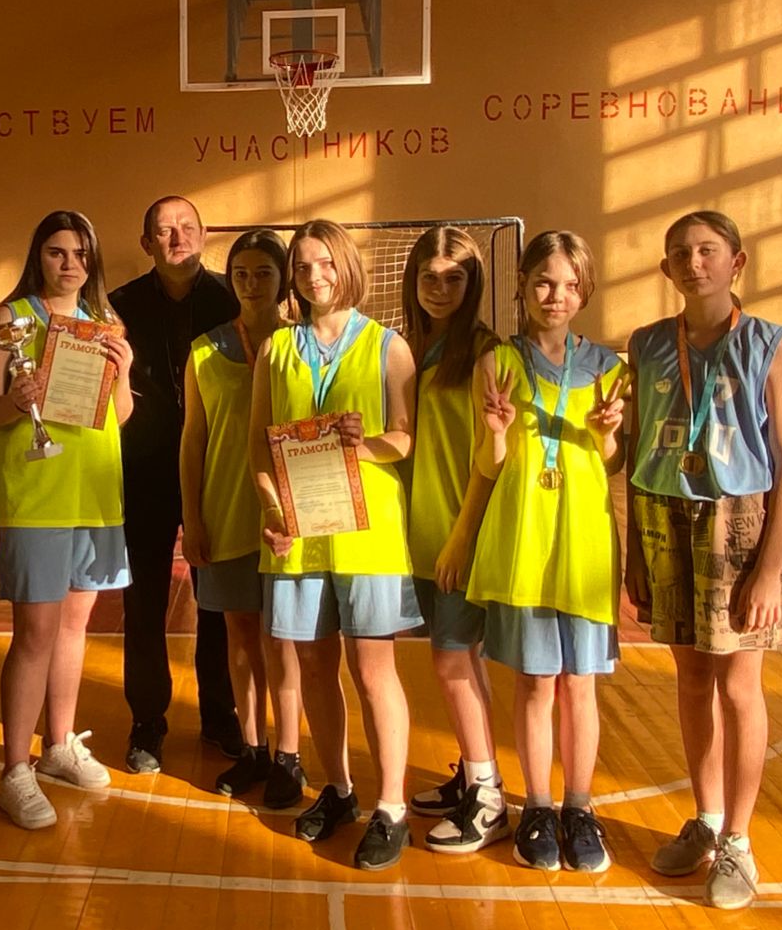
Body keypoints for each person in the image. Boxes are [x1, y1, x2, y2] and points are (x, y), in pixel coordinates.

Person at [626, 209, 782, 910]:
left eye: (707, 249)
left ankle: (738, 838)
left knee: (738, 686)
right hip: (663, 514)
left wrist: (768, 565)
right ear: (666, 269)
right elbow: (636, 448)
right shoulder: (646, 343)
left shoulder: (771, 344)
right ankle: (704, 818)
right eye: (680, 252)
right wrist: (636, 553)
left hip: (740, 522)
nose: (693, 262)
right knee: (691, 678)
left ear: (737, 261)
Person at [249, 219, 420, 871]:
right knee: (314, 664)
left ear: (347, 266)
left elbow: (404, 437)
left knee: (373, 670)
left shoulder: (387, 346)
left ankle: (392, 807)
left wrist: (364, 442)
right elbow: (258, 443)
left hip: (367, 532)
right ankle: (340, 789)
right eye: (302, 266)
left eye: (325, 263)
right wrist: (273, 510)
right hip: (297, 530)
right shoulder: (276, 348)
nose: (314, 276)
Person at [466, 231, 627, 873]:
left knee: (580, 684)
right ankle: (537, 806)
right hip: (525, 538)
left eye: (568, 285)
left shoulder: (609, 368)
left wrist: (607, 436)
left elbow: (610, 464)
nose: (555, 296)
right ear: (522, 286)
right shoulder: (498, 362)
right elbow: (489, 465)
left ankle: (579, 807)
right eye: (543, 282)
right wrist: (496, 432)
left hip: (583, 542)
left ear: (584, 291)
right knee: (536, 682)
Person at [0, 210, 134, 829]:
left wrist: (124, 369)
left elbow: (119, 414)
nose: (70, 264)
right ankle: (15, 769)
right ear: (37, 255)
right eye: (57, 252)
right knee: (35, 634)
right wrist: (15, 404)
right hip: (37, 494)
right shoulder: (8, 319)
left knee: (73, 629)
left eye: (80, 254)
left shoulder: (103, 323)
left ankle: (58, 745)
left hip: (94, 493)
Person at [109, 195, 241, 773]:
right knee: (143, 602)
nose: (177, 237)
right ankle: (147, 721)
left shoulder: (232, 299)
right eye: (164, 230)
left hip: (217, 469)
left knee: (218, 598)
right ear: (147, 243)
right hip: (143, 471)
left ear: (203, 235)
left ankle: (220, 713)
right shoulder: (118, 308)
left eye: (187, 227)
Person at [180, 229, 305, 806]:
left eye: (264, 272)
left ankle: (289, 755)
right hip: (227, 511)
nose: (252, 284)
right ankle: (253, 748)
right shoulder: (204, 350)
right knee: (240, 637)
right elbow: (193, 440)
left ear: (284, 279)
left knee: (284, 640)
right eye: (241, 274)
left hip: (290, 520)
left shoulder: (304, 346)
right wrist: (192, 518)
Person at [399, 227, 509, 854]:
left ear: (474, 285)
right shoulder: (412, 345)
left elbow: (491, 459)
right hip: (417, 533)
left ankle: (488, 799)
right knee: (459, 660)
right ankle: (473, 773)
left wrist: (463, 538)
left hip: (457, 534)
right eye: (429, 277)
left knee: (451, 660)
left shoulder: (484, 353)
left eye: (454, 278)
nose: (440, 289)